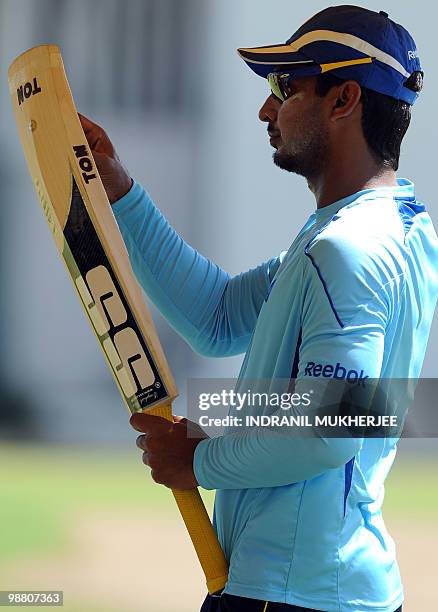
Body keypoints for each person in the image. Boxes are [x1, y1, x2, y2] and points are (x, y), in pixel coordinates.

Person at [80, 6, 438, 611]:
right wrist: (121, 191)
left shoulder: (345, 249)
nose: (265, 109)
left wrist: (200, 461)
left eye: (284, 87)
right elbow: (218, 317)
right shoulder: (387, 229)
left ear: (344, 98)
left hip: (294, 594)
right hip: (325, 589)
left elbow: (330, 431)